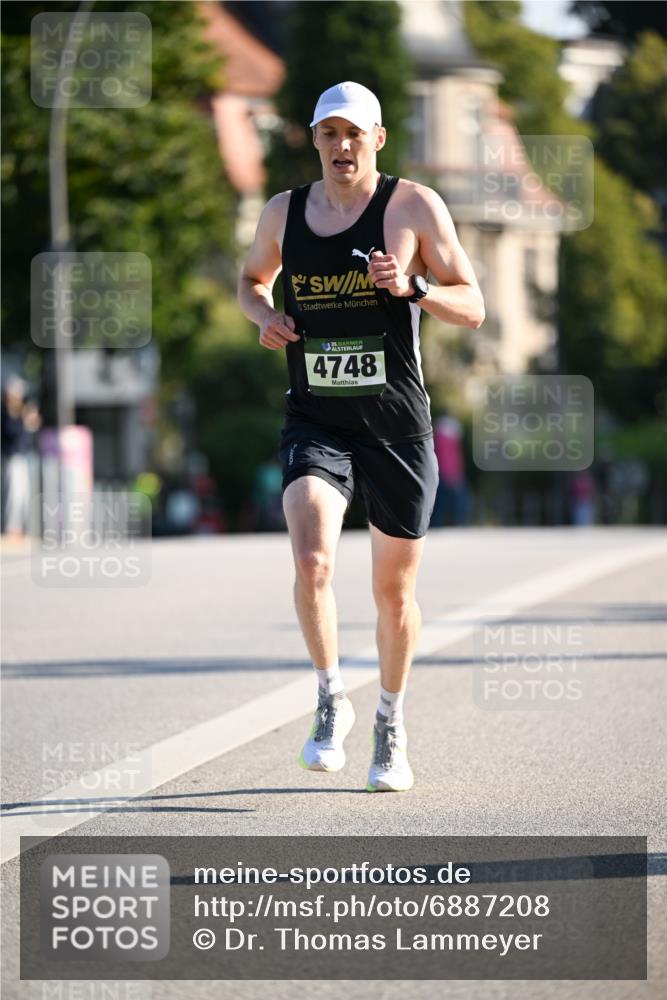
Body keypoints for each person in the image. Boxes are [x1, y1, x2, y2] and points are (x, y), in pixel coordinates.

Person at [238, 81, 484, 792]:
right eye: (328, 134)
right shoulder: (284, 211)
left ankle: (389, 717)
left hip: (396, 428)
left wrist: (413, 290)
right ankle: (327, 698)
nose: (340, 147)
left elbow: (471, 306)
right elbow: (252, 280)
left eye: (354, 134)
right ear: (314, 140)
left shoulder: (412, 207)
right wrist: (262, 317)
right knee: (312, 557)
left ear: (377, 138)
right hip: (316, 418)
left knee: (391, 593)